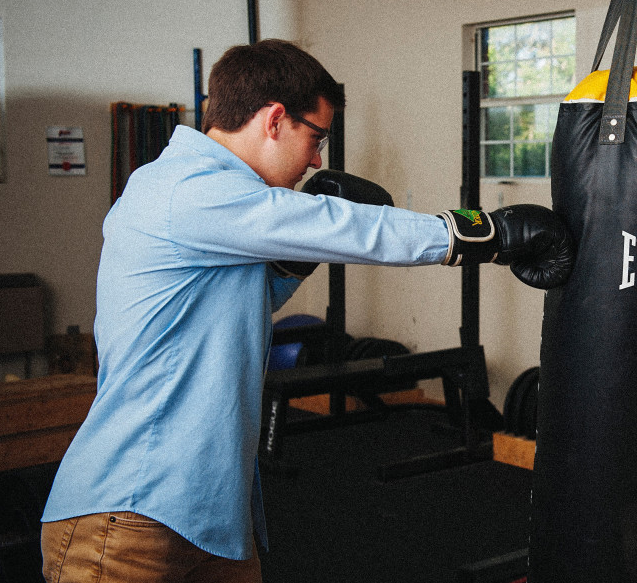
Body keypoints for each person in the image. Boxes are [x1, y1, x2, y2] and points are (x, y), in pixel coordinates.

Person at [40, 38, 572, 583]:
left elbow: (245, 303)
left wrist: (293, 264)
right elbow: (344, 226)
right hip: (128, 513)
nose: (317, 160)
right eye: (314, 138)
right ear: (274, 119)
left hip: (213, 515)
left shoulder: (219, 207)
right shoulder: (184, 190)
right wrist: (492, 232)